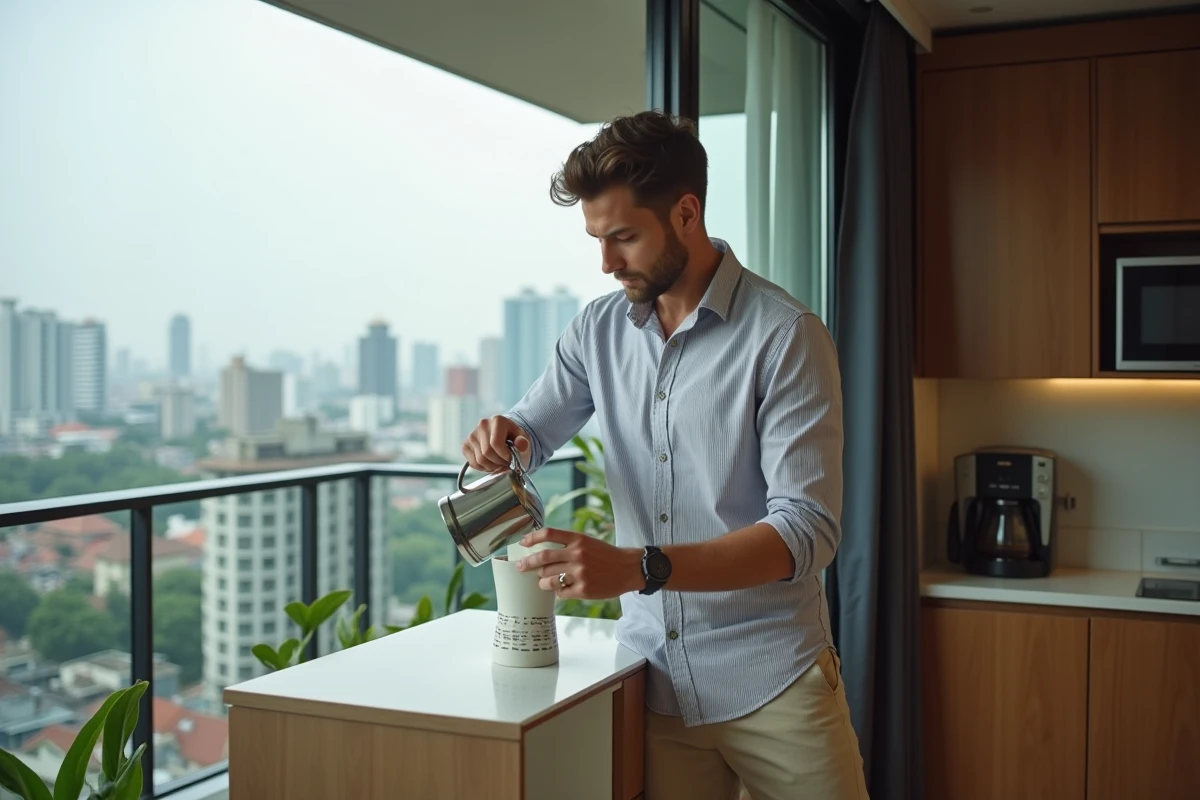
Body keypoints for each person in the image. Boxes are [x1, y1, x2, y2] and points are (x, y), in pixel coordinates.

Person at [461, 110, 868, 800]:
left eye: (624, 237)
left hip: (775, 679)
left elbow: (807, 531)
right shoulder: (596, 329)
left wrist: (639, 567)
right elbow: (532, 430)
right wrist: (505, 442)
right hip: (654, 686)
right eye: (596, 238)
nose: (606, 262)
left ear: (686, 213)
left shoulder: (786, 336)